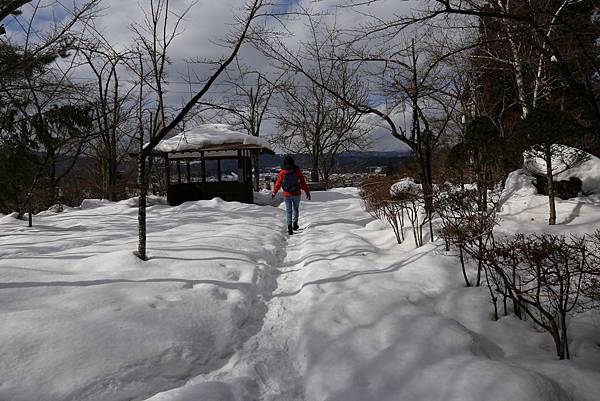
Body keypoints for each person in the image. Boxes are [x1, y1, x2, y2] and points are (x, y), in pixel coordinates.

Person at [272, 155, 311, 235]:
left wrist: (274, 192)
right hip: (296, 193)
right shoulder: (297, 170)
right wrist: (307, 191)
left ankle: (289, 227)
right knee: (295, 209)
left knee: (289, 211)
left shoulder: (282, 172)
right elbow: (302, 182)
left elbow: (278, 183)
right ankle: (295, 224)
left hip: (287, 194)